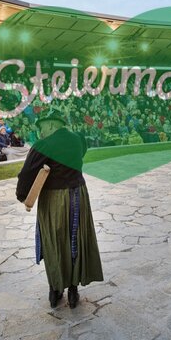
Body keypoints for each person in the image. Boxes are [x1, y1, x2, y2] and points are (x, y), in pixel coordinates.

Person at [15, 109, 103, 309]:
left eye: (42, 126)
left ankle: (56, 289)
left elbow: (27, 174)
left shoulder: (43, 146)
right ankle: (73, 289)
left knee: (54, 242)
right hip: (78, 195)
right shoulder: (78, 139)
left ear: (53, 124)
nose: (40, 131)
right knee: (75, 240)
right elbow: (81, 151)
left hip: (54, 199)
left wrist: (22, 196)